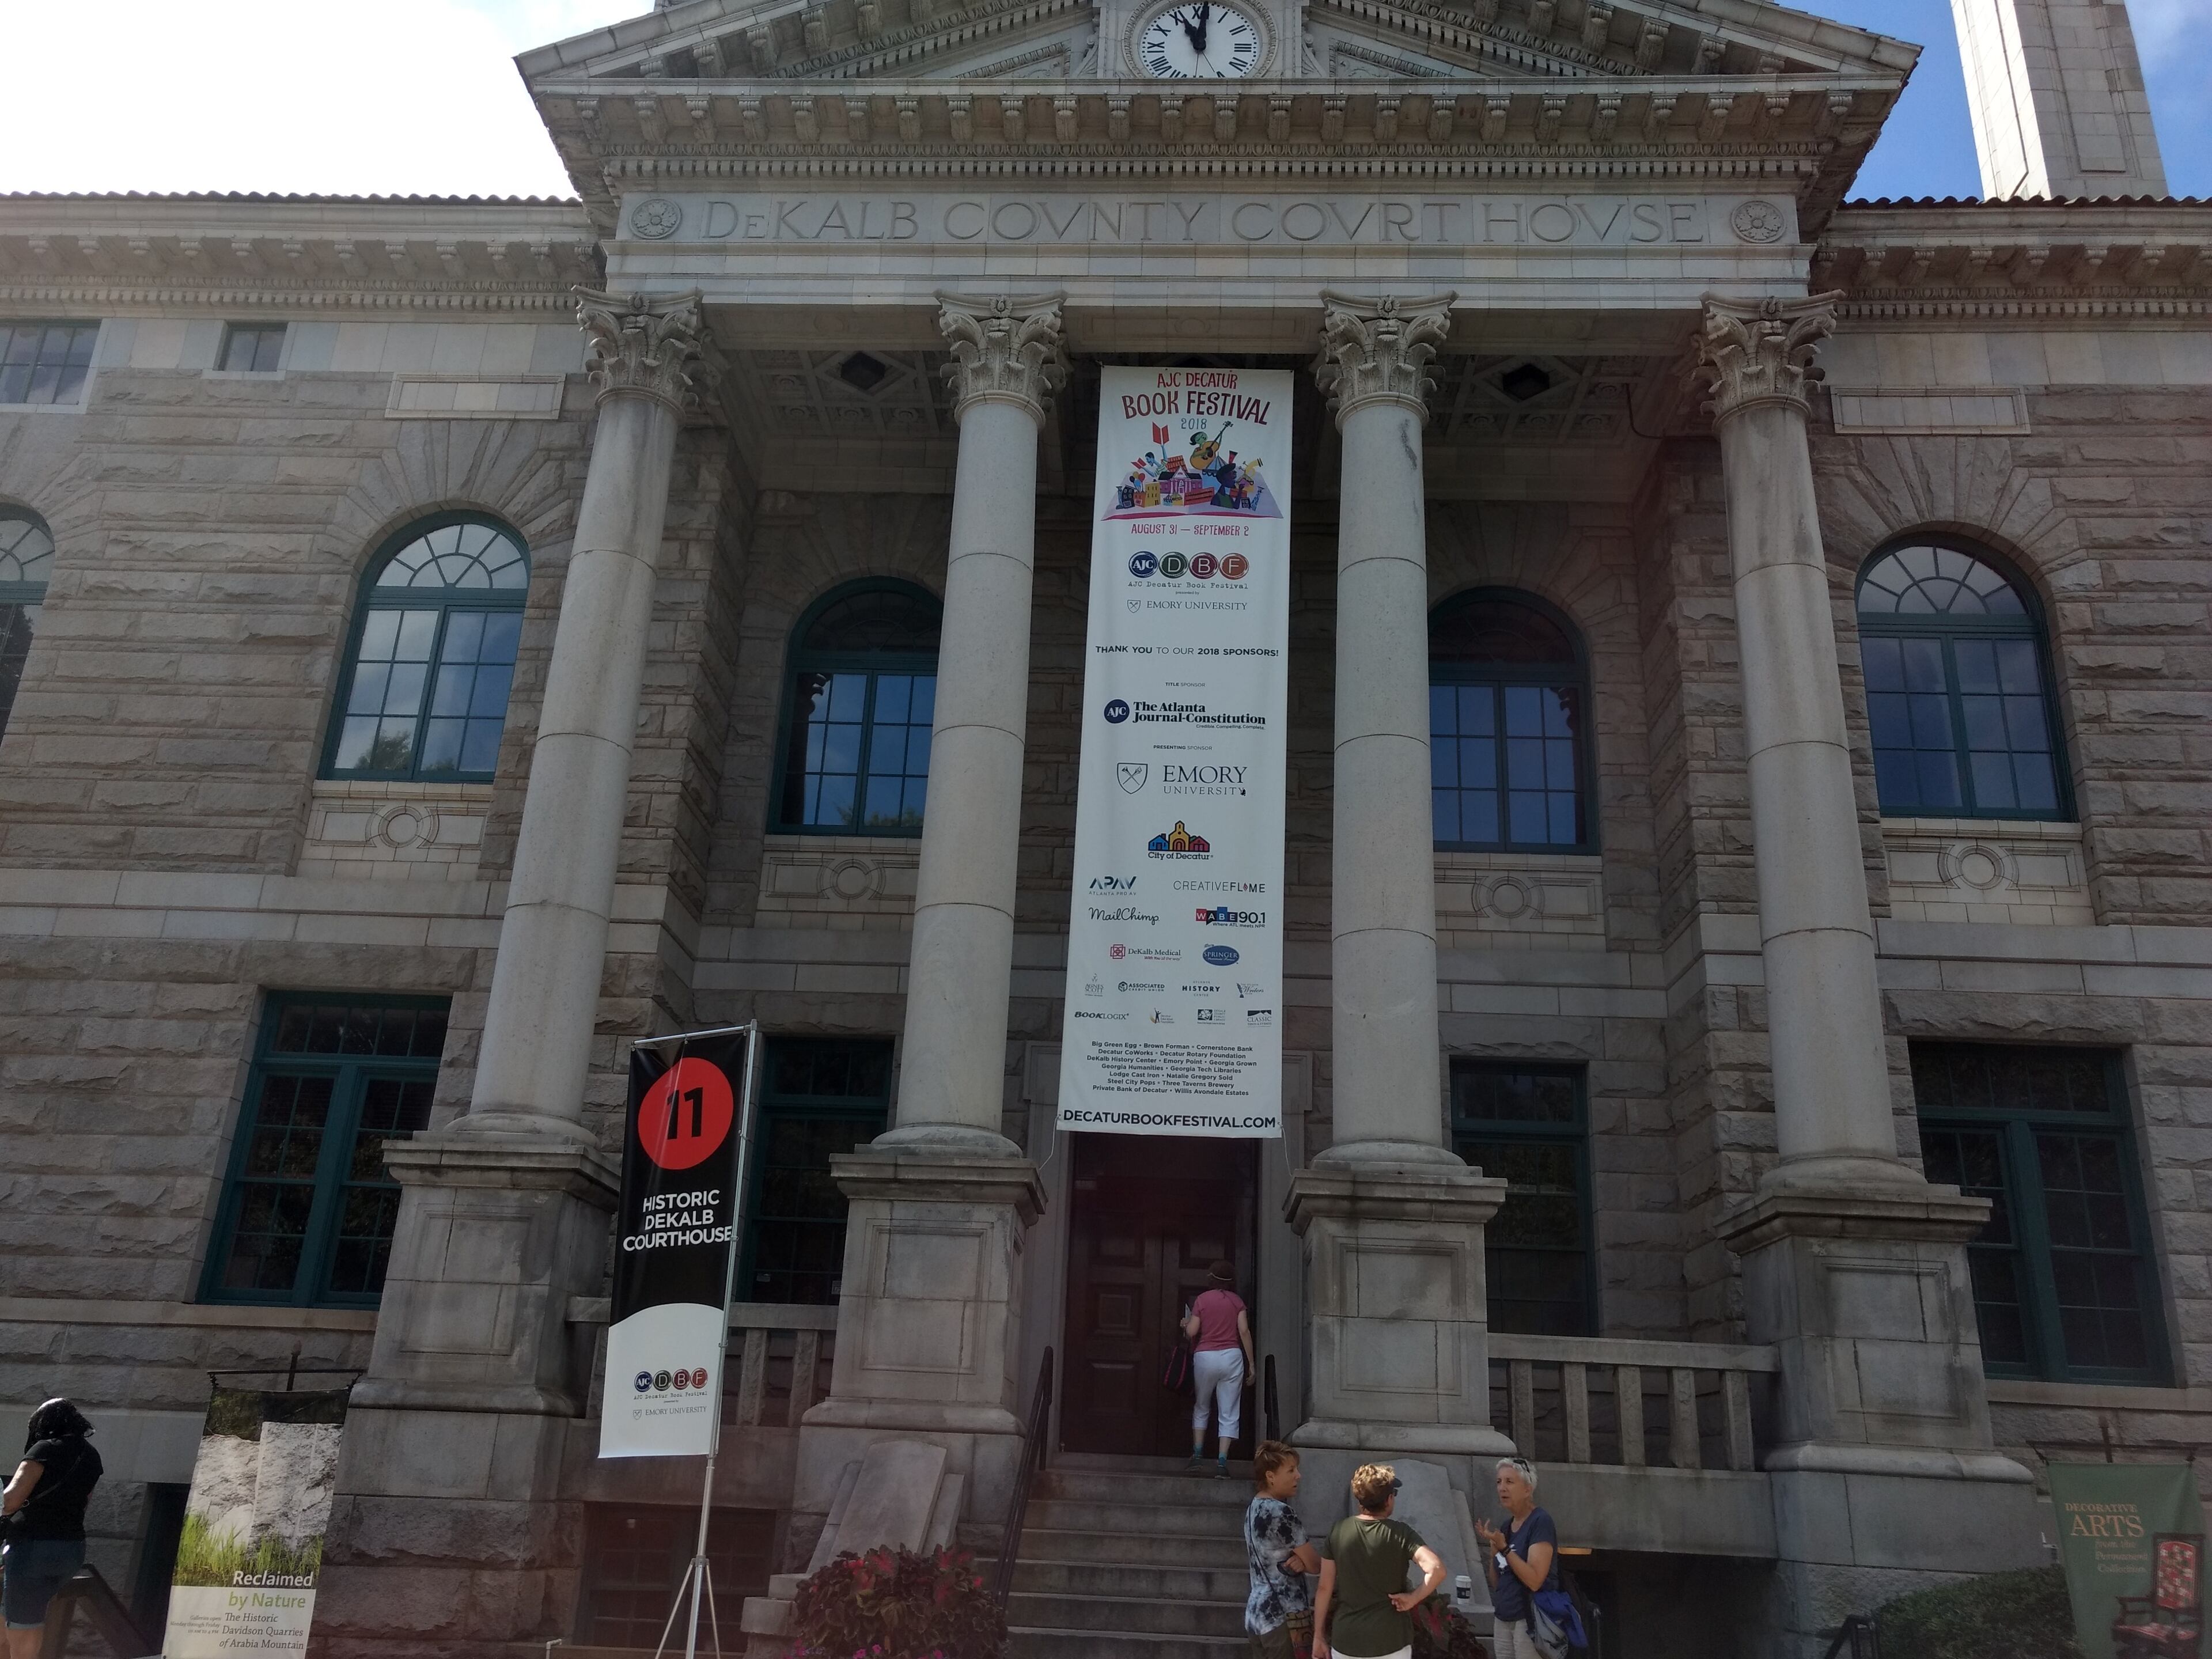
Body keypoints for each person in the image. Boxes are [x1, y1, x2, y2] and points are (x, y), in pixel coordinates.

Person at [1, 1399, 103, 1657]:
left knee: (24, 1622)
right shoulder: (91, 1456)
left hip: (32, 1549)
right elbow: (84, 1504)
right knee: (15, 1612)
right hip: (71, 1550)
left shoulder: (44, 1448)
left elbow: (11, 1502)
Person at [1314, 1462, 1445, 1659]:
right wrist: (1413, 1598)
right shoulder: (1401, 1533)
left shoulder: (1338, 1531)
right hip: (1391, 1640)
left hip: (1347, 1639)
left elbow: (1325, 1588)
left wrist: (1318, 1636)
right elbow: (1436, 1569)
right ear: (1389, 1499)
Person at [1474, 1456, 1560, 1659]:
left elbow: (1535, 1580)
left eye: (1510, 1482)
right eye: (1499, 1482)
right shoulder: (1506, 1526)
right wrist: (1494, 1551)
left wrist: (1505, 1549)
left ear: (1527, 1490)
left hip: (1529, 1618)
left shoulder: (1540, 1522)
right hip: (1503, 1617)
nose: (1502, 1488)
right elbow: (1498, 1583)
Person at [1244, 1440, 1321, 1658]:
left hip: (1257, 1615)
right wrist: (1305, 1561)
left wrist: (1299, 1560)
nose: (1298, 1476)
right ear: (1271, 1476)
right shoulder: (1282, 1512)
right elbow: (1315, 1565)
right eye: (1291, 1470)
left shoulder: (1253, 1508)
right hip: (1283, 1616)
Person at [1183, 1259, 1254, 1476]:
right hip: (1232, 1357)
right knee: (1229, 1411)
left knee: (1202, 1406)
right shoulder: (1237, 1302)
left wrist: (1186, 1325)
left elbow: (1192, 1332)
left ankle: (1197, 1455)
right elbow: (1244, 1331)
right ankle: (1222, 1462)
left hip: (1205, 1357)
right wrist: (1252, 1364)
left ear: (1211, 1278)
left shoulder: (1203, 1300)